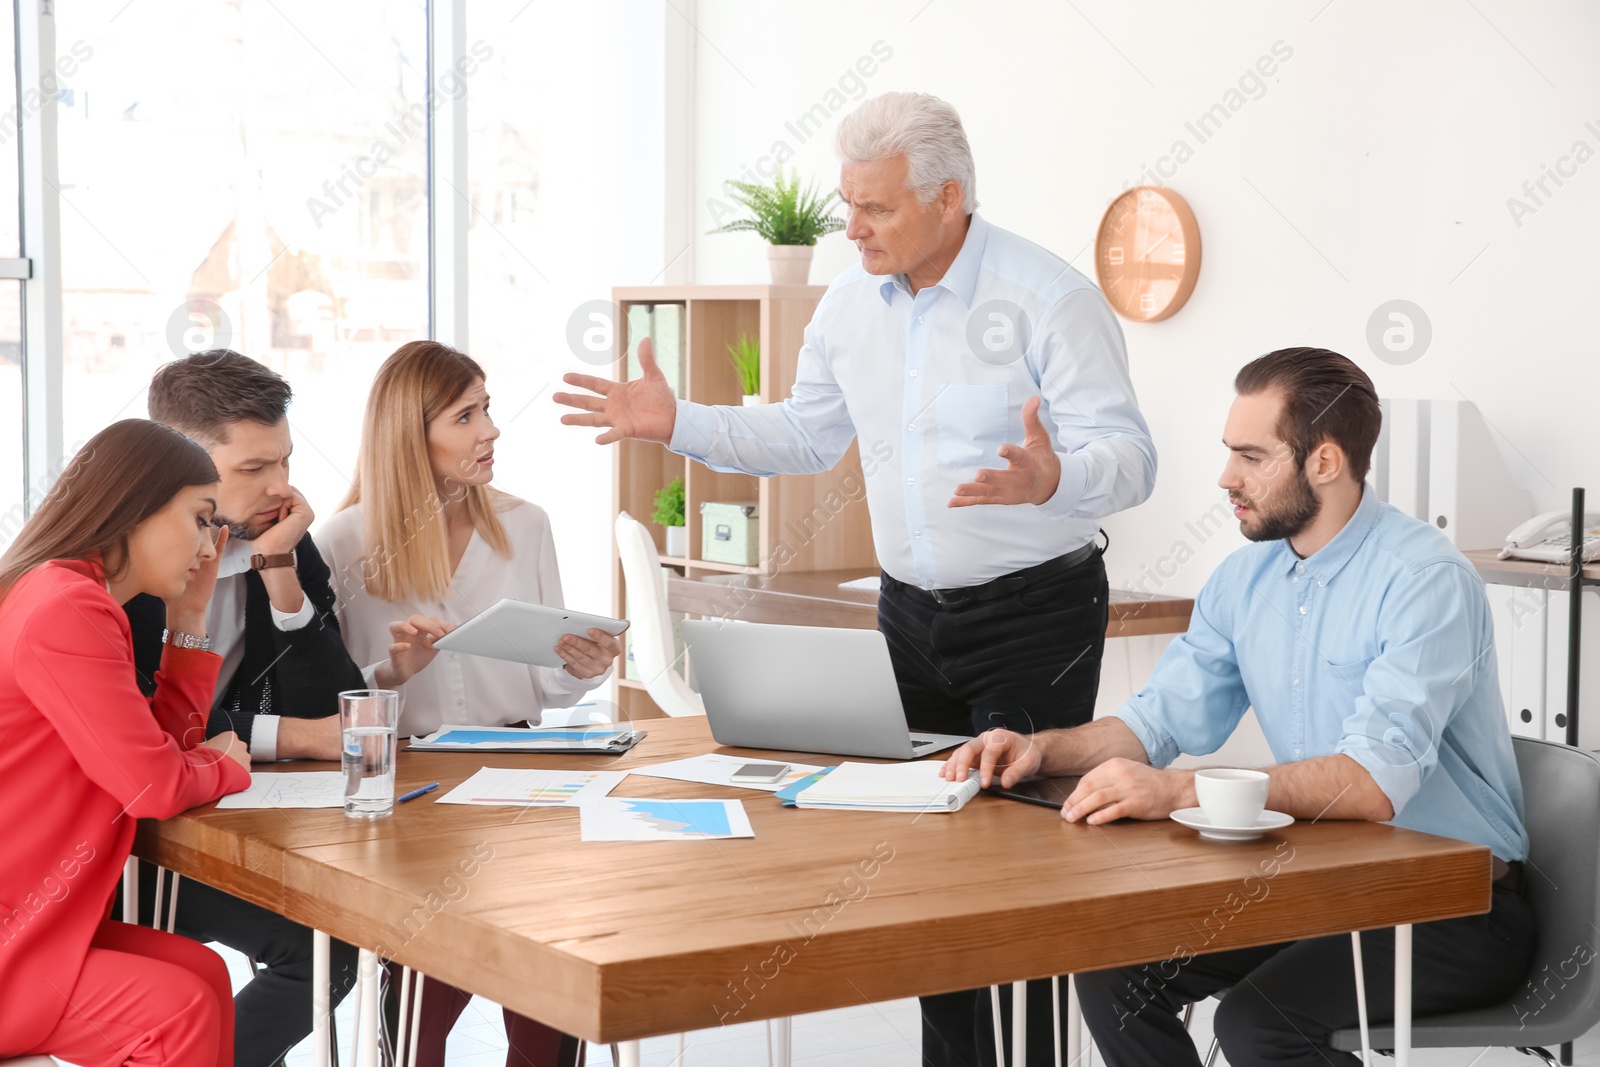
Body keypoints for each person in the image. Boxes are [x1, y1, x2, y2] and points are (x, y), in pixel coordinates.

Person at [554, 90, 1156, 1066]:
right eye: (847, 202)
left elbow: (1130, 459)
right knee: (921, 857)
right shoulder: (846, 302)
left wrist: (1061, 475)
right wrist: (680, 424)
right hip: (907, 614)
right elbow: (804, 433)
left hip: (1034, 612)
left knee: (1014, 866)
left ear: (948, 197)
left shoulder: (1047, 299)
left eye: (873, 207)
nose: (851, 226)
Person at [943, 348, 1534, 1067]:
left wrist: (1180, 791)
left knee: (1263, 1022)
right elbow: (1157, 721)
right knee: (1113, 967)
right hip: (1320, 886)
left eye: (1251, 457)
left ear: (1325, 461)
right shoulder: (1244, 578)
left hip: (1453, 902)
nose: (1227, 478)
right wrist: (1043, 748)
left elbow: (1376, 783)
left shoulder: (1424, 579)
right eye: (1229, 453)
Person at [317, 339, 618, 1067]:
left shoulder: (526, 524)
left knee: (550, 1007)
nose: (491, 429)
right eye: (466, 414)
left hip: (524, 784)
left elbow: (550, 685)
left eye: (485, 408)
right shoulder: (341, 544)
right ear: (409, 436)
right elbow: (327, 700)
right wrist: (392, 669)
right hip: (414, 796)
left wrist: (583, 668)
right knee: (416, 1018)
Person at [120, 349, 364, 1066]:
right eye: (254, 469)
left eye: (284, 461)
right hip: (133, 842)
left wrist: (283, 573)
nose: (281, 487)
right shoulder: (125, 568)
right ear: (182, 463)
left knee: (332, 948)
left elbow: (337, 706)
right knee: (315, 954)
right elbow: (141, 721)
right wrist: (288, 734)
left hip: (237, 817)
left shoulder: (280, 536)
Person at [0, 418, 253, 1066]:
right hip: (15, 933)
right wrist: (223, 766)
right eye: (200, 518)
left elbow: (155, 745)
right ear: (136, 507)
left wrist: (189, 621)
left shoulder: (70, 595)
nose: (209, 545)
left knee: (207, 976)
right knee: (180, 1008)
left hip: (33, 916)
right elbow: (155, 784)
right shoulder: (69, 607)